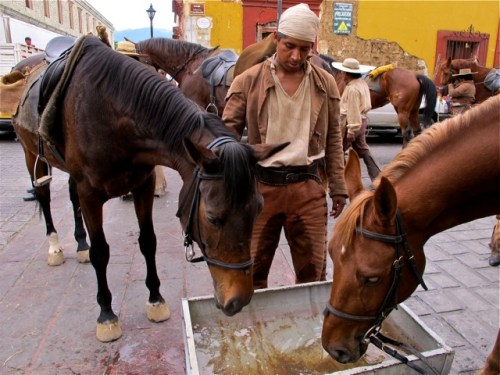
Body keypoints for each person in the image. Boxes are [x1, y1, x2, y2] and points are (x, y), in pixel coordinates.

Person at [222, 3, 347, 289]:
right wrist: (227, 189)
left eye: (305, 49)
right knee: (251, 274)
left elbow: (333, 138)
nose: (296, 56)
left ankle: (309, 330)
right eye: (289, 46)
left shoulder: (325, 83)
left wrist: (338, 186)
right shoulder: (247, 81)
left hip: (308, 188)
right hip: (260, 190)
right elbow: (226, 137)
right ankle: (255, 331)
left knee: (312, 275)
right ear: (276, 39)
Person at [116, 41, 167, 198]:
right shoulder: (149, 71)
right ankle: (157, 186)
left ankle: (129, 188)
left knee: (130, 156)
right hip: (149, 118)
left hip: (131, 118)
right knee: (151, 154)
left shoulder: (118, 72)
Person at [332, 58, 380, 181]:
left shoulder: (352, 89)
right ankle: (377, 176)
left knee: (338, 150)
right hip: (362, 121)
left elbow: (352, 110)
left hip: (351, 122)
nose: (342, 74)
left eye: (343, 72)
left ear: (346, 74)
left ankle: (342, 179)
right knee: (363, 149)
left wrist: (351, 130)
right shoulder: (363, 83)